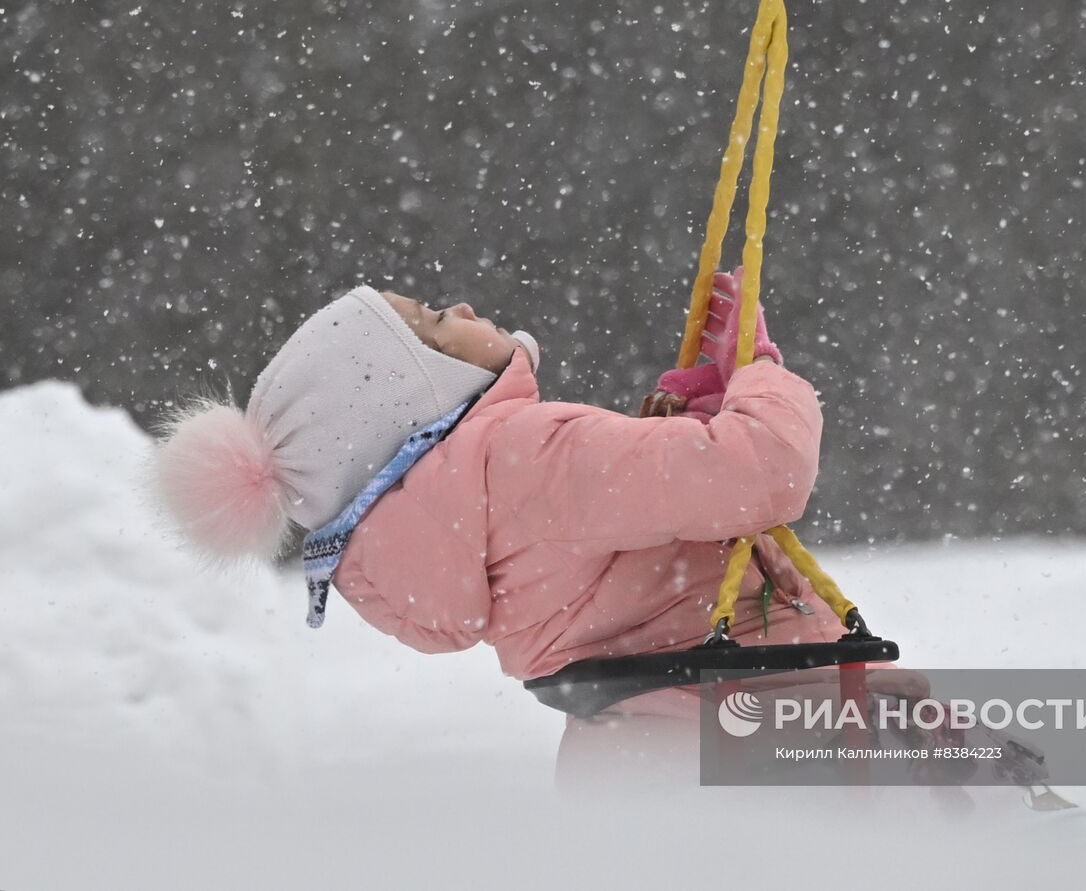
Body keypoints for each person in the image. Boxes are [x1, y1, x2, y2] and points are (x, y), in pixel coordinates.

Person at [151, 276, 850, 732]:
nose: (456, 306)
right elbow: (768, 467)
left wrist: (700, 418)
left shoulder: (460, 517)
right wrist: (760, 370)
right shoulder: (521, 455)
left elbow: (631, 586)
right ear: (423, 393)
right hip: (778, 724)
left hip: (662, 744)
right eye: (431, 320)